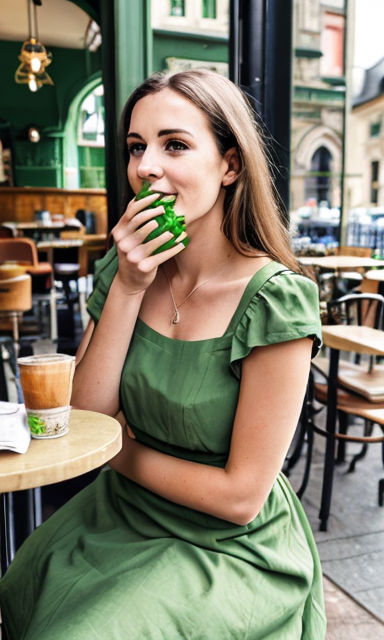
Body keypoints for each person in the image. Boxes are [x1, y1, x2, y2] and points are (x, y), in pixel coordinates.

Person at [0, 69, 326, 639]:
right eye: (135, 147)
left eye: (174, 144)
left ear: (229, 165)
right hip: (120, 513)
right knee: (17, 588)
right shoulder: (125, 272)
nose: (145, 166)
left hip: (229, 548)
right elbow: (87, 416)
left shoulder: (276, 299)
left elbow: (240, 497)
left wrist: (116, 450)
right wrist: (127, 285)